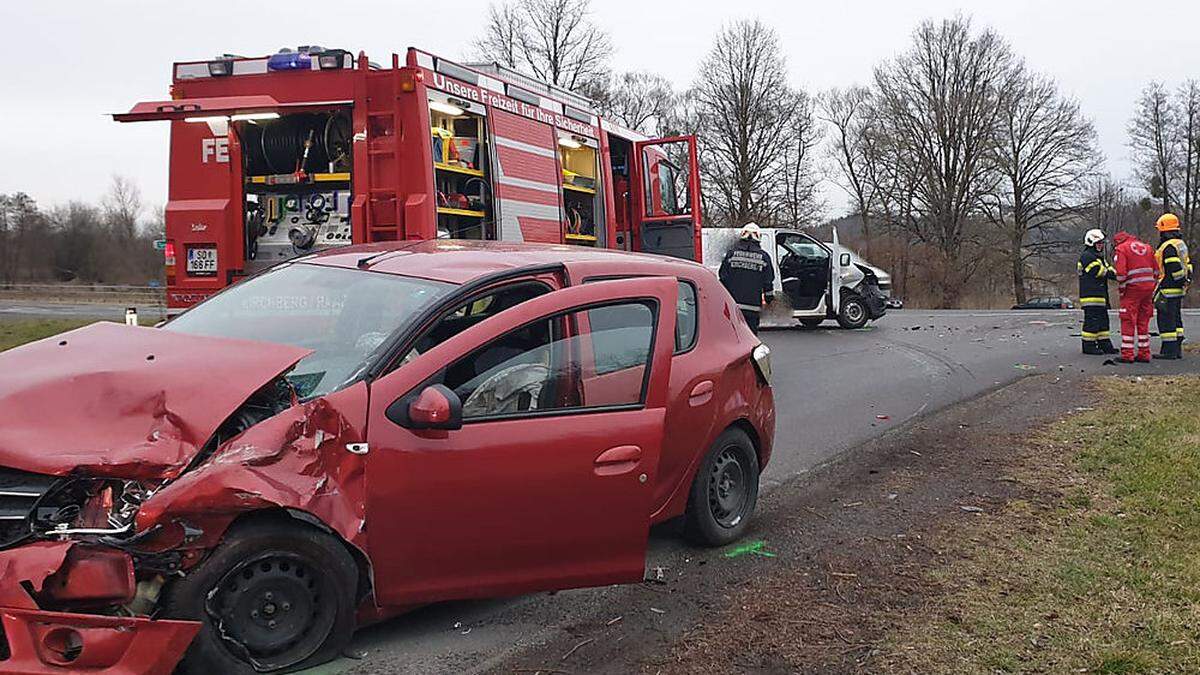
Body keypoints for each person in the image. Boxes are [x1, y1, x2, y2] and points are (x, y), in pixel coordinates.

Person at [719, 222, 775, 333]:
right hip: (753, 308)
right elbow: (768, 282)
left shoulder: (731, 254)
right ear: (758, 237)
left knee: (734, 335)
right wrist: (769, 300)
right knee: (750, 337)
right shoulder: (764, 257)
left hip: (733, 306)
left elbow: (723, 278)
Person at [1112, 231, 1158, 363]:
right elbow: (1156, 271)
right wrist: (1150, 284)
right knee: (1143, 320)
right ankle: (1144, 353)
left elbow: (1121, 275)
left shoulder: (1121, 249)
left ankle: (1127, 354)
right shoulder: (1147, 248)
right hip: (1148, 289)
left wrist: (1122, 288)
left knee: (1128, 320)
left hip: (1132, 290)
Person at [1153, 213, 1192, 360]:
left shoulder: (1168, 246)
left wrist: (1178, 279)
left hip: (1168, 288)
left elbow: (1173, 266)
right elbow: (1188, 265)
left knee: (1166, 319)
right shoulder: (1180, 244)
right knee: (1176, 318)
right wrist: (1185, 281)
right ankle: (1176, 349)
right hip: (1178, 289)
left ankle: (1169, 351)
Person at [1078, 228, 1117, 355]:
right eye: (1098, 243)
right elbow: (1099, 271)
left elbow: (1110, 270)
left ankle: (1105, 344)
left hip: (1100, 296)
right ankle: (1088, 345)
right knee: (1092, 322)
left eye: (1101, 243)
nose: (1100, 245)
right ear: (1091, 242)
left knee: (1103, 321)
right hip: (1091, 296)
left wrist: (1118, 274)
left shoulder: (1098, 257)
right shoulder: (1087, 256)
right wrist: (1112, 273)